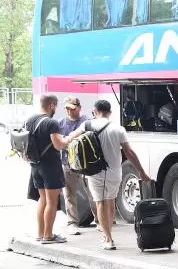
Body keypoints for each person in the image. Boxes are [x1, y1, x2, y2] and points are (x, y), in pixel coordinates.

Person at [67, 100, 151, 250]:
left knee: (100, 203)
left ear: (94, 111)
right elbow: (129, 152)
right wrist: (141, 172)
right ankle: (109, 233)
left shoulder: (87, 125)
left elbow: (69, 140)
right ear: (110, 112)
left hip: (94, 171)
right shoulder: (118, 129)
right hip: (114, 172)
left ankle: (108, 239)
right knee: (110, 202)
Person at [26, 94, 70, 244]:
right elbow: (59, 145)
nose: (55, 109)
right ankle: (49, 235)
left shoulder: (30, 120)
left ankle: (40, 233)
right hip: (50, 165)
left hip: (35, 165)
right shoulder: (51, 123)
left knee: (43, 199)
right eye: (56, 106)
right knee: (52, 201)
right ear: (51, 105)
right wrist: (69, 138)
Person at [58, 96, 89, 233]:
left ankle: (101, 220)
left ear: (79, 107)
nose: (69, 111)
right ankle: (72, 222)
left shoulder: (86, 121)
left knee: (92, 194)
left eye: (72, 108)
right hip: (67, 163)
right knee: (69, 194)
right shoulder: (61, 123)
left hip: (85, 164)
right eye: (67, 109)